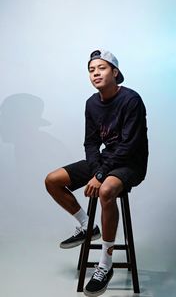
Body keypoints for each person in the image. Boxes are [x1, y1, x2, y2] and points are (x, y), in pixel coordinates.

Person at [45, 49, 148, 297]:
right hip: (104, 161)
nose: (95, 74)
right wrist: (97, 170)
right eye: (91, 70)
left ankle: (105, 264)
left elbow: (128, 146)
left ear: (115, 72)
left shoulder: (131, 100)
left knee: (106, 190)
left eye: (101, 68)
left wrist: (100, 176)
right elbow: (91, 143)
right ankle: (86, 227)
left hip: (130, 163)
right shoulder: (91, 103)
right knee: (52, 181)